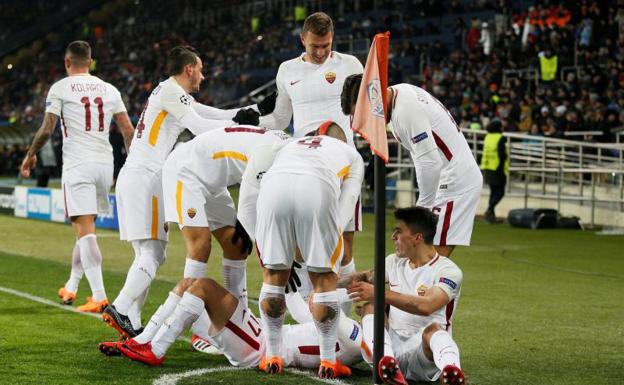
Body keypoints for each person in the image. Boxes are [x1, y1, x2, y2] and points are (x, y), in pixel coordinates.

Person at [103, 45, 264, 336]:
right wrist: (239, 123)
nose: (202, 77)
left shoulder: (169, 94)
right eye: (200, 70)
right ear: (189, 68)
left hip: (134, 174)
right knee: (153, 254)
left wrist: (250, 112)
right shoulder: (170, 91)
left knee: (146, 253)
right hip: (148, 176)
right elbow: (202, 126)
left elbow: (211, 113)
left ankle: (133, 324)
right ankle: (121, 307)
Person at [239, 122, 364, 378]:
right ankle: (328, 362)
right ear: (343, 141)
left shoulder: (287, 145)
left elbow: (247, 205)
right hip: (316, 187)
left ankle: (273, 355)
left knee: (273, 279)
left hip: (273, 187)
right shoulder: (352, 156)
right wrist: (323, 245)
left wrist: (267, 249)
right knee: (324, 280)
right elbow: (346, 205)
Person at [20, 40, 134, 312]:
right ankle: (71, 286)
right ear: (91, 62)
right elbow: (128, 130)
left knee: (85, 233)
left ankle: (99, 296)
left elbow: (47, 128)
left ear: (67, 62)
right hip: (105, 165)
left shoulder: (60, 87)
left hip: (78, 165)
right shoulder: (110, 89)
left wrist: (30, 154)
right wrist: (132, 164)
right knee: (85, 230)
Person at [258, 12, 364, 291]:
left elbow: (365, 109)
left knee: (344, 241)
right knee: (299, 244)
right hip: (302, 164)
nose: (320, 52)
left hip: (343, 164)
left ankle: (342, 318)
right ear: (302, 39)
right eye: (314, 46)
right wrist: (252, 119)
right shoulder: (287, 70)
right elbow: (280, 119)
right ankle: (309, 310)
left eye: (326, 46)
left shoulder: (350, 64)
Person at [99, 277, 359, 378]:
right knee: (187, 284)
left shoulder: (354, 335)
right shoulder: (344, 328)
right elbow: (306, 305)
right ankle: (140, 341)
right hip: (260, 334)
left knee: (204, 288)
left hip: (260, 348)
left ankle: (155, 349)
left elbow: (315, 306)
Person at [341, 74, 483, 258]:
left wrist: (422, 208)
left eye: (364, 113)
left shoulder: (405, 111)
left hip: (454, 182)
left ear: (375, 95)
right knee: (419, 259)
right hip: (448, 178)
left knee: (428, 260)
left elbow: (430, 162)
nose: (366, 120)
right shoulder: (401, 93)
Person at [347, 207, 466, 385]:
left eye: (398, 231)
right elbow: (366, 277)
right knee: (370, 307)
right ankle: (386, 363)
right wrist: (325, 282)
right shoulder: (393, 262)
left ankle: (451, 371)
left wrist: (380, 294)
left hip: (425, 354)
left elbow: (426, 306)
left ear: (417, 238)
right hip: (393, 346)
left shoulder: (448, 270)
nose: (393, 237)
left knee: (433, 330)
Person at [480, 120, 508, 223]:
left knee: (493, 192)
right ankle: (489, 210)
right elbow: (502, 155)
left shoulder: (488, 137)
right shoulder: (501, 138)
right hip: (497, 168)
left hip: (487, 167)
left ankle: (491, 215)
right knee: (500, 192)